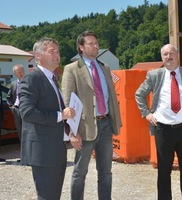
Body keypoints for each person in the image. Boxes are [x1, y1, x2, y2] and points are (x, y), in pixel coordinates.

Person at [135, 44, 182, 200]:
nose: (168, 57)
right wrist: (146, 114)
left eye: (171, 53)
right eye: (165, 54)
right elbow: (139, 94)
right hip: (163, 130)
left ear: (178, 55)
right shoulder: (154, 75)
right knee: (163, 172)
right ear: (162, 57)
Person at [62, 31, 122, 200]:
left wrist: (114, 122)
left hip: (105, 125)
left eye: (96, 43)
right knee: (80, 172)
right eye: (90, 43)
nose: (95, 46)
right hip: (84, 128)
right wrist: (73, 132)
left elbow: (110, 97)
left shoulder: (104, 68)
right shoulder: (71, 69)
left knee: (106, 172)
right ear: (81, 47)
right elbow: (68, 104)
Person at [18, 37, 75, 200]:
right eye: (52, 51)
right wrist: (61, 115)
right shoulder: (32, 79)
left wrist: (70, 130)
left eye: (58, 52)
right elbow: (27, 112)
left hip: (56, 149)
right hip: (43, 151)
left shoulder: (52, 80)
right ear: (38, 56)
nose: (57, 55)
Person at [6, 64, 25, 150]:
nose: (20, 73)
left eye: (22, 71)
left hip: (27, 110)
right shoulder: (13, 84)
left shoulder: (29, 82)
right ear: (15, 73)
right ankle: (24, 155)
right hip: (17, 110)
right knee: (20, 132)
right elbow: (8, 97)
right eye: (18, 71)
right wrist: (12, 108)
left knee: (29, 131)